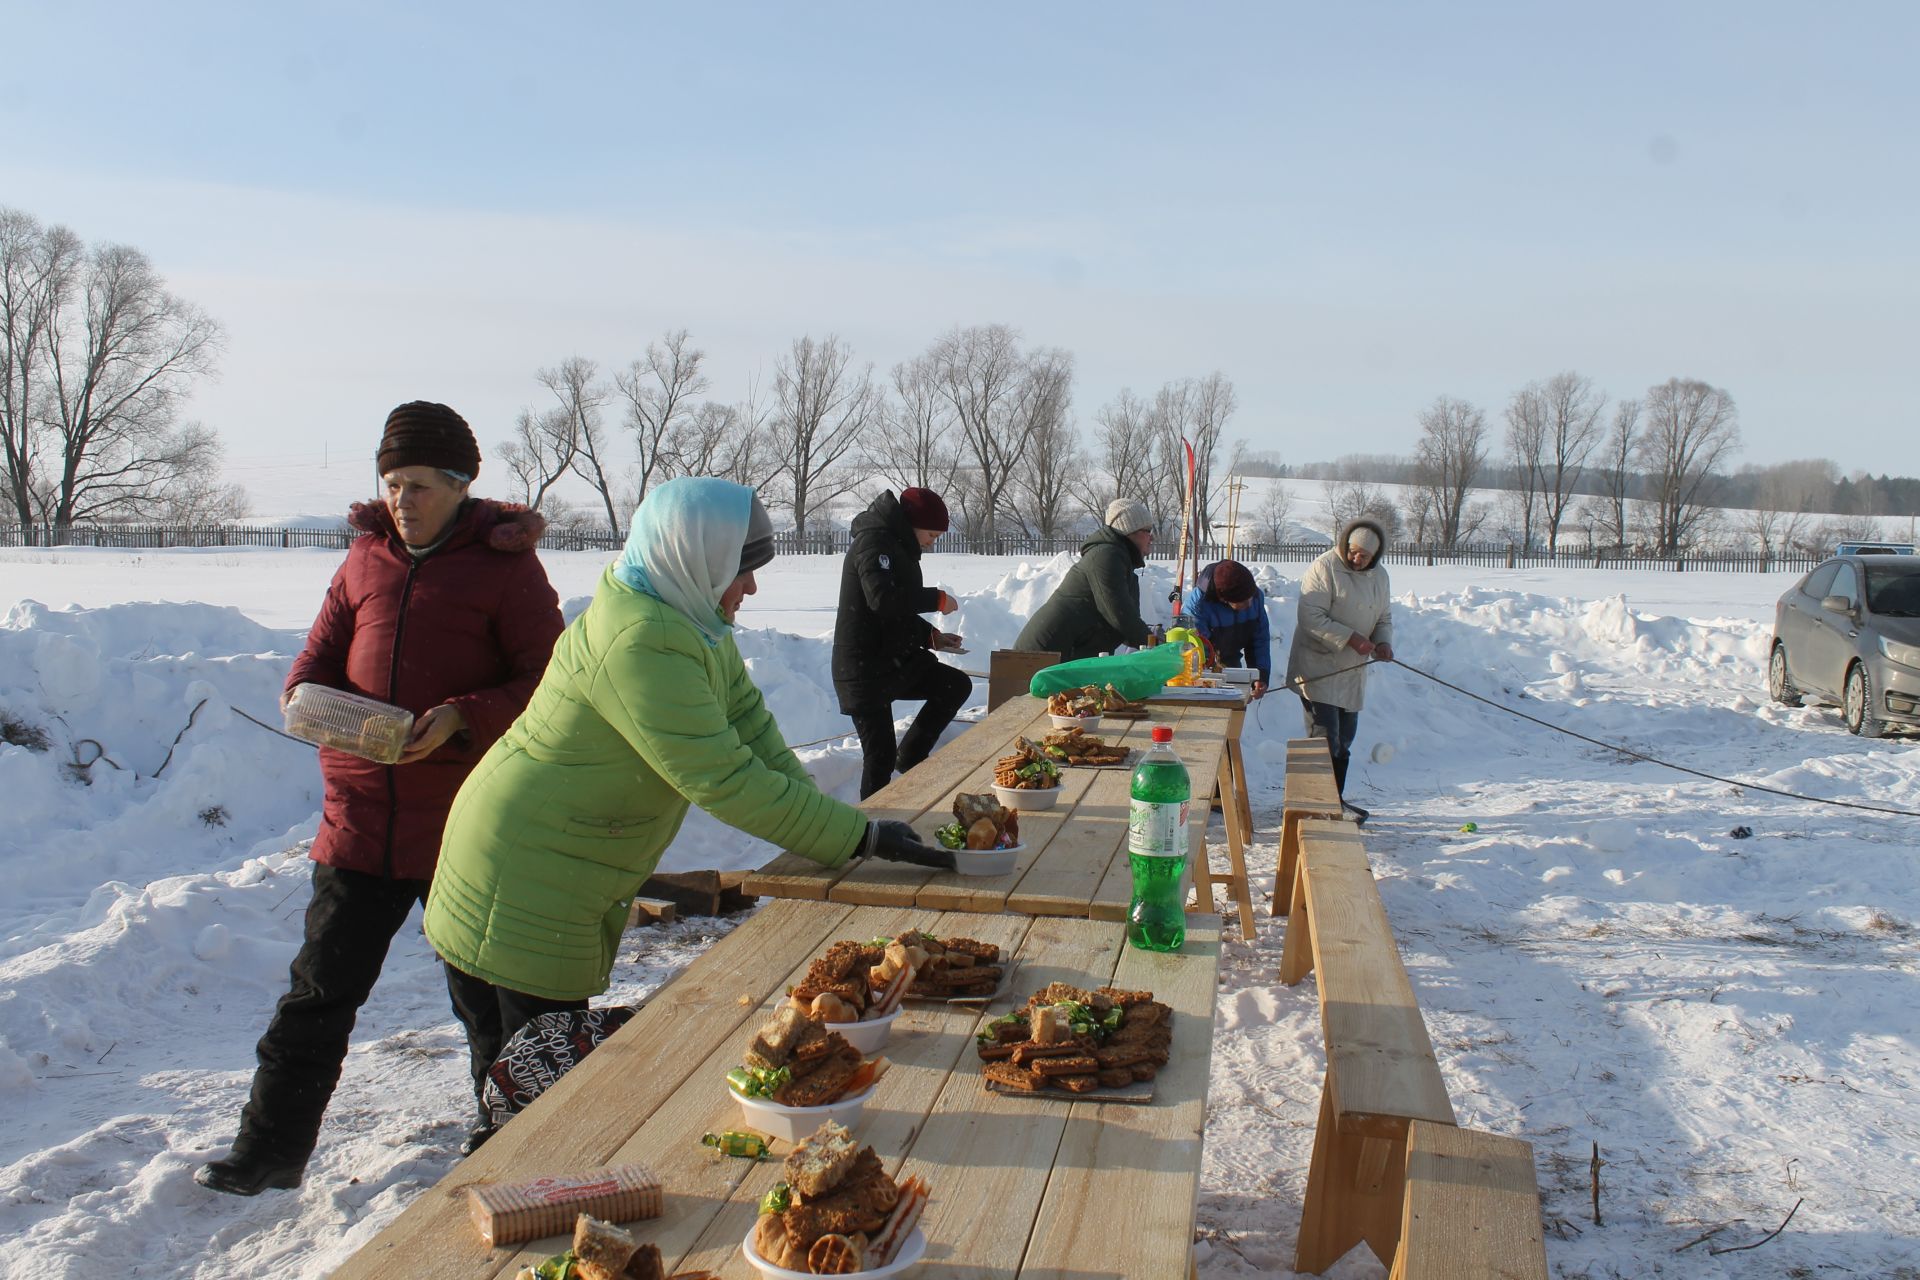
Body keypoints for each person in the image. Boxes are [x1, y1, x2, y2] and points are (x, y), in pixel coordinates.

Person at [421, 477, 953, 1145]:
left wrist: (834, 830)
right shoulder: (642, 641)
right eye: (743, 571)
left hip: (552, 869)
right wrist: (855, 837)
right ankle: (498, 1226)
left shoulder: (687, 612)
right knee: (532, 1104)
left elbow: (749, 727)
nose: (751, 589)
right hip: (521, 881)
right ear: (697, 558)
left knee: (545, 1089)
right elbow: (724, 777)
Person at [197, 401, 564, 1196]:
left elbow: (548, 681)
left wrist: (465, 717)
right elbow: (315, 659)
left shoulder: (506, 569)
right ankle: (268, 1150)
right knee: (318, 995)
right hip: (359, 821)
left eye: (422, 485)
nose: (403, 499)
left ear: (463, 487)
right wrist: (306, 697)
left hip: (463, 825)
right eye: (393, 482)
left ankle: (504, 1146)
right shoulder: (364, 560)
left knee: (488, 1006)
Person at [832, 487, 970, 798]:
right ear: (912, 522)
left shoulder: (898, 547)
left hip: (890, 663)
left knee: (954, 685)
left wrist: (931, 637)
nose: (931, 543)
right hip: (863, 669)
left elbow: (897, 613)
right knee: (878, 759)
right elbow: (883, 600)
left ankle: (910, 760)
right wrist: (937, 598)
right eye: (931, 535)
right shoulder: (873, 542)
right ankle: (872, 831)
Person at [1285, 518, 1393, 823]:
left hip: (1352, 669)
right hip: (1318, 665)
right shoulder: (1325, 567)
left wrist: (1382, 642)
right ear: (1345, 545)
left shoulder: (1379, 577)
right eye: (1354, 552)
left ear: (1375, 557)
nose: (1357, 559)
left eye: (1365, 556)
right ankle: (1316, 804)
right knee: (1324, 738)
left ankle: (1334, 801)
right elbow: (1310, 616)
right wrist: (1349, 637)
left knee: (1345, 738)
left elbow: (1383, 617)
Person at [1014, 498, 1154, 661]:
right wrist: (1157, 645)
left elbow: (1129, 625)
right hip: (1039, 659)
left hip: (1064, 656)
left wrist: (1153, 639)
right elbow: (1120, 615)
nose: (1152, 538)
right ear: (1132, 531)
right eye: (1148, 531)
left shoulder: (1123, 566)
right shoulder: (1105, 557)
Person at [1181, 558, 1273, 697]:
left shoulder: (1255, 596)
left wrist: (1260, 675)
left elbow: (1259, 640)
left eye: (1251, 597)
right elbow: (1195, 653)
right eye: (1243, 601)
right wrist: (1216, 686)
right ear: (1225, 599)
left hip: (1231, 658)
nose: (1249, 604)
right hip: (1205, 665)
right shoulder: (1197, 607)